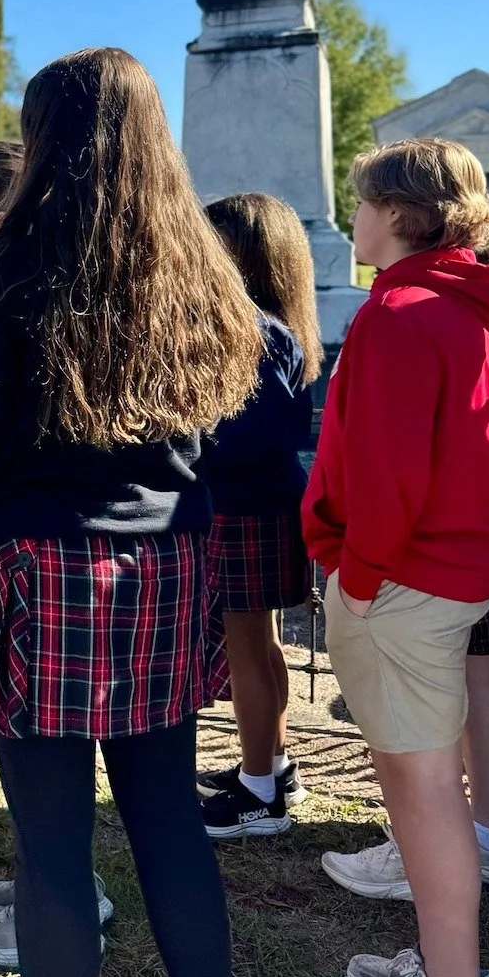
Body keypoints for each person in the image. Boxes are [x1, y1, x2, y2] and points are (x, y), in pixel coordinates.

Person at [0, 48, 268, 977]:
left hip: (35, 567)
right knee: (165, 820)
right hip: (161, 567)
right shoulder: (196, 270)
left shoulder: (3, 268)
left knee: (52, 845)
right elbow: (233, 422)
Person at [303, 137, 489, 977]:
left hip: (403, 581)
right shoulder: (472, 309)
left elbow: (384, 471)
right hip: (453, 570)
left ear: (402, 212)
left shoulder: (401, 313)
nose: (352, 219)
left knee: (423, 794)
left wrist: (355, 573)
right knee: (432, 789)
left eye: (364, 201)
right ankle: (444, 970)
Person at [0, 138, 117, 972]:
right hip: (94, 545)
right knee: (51, 757)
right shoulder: (76, 272)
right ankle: (55, 879)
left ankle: (60, 898)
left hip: (33, 550)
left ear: (4, 206)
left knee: (43, 753)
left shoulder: (1, 285)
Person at [195, 193, 321, 839]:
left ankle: (258, 794)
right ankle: (270, 764)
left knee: (247, 647)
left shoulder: (250, 330)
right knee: (262, 643)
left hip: (244, 503)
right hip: (264, 499)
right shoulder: (276, 325)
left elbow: (251, 431)